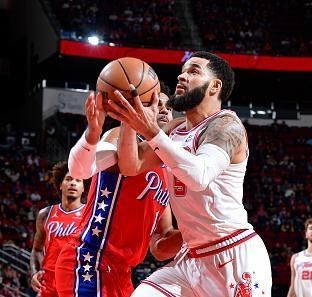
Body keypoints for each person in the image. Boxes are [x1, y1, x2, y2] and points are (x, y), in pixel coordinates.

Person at [107, 51, 272, 297]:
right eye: (183, 71)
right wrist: (129, 119)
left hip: (233, 254)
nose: (182, 76)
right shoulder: (174, 128)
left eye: (194, 71)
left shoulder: (226, 126)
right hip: (190, 258)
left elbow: (199, 175)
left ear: (215, 86)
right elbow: (131, 166)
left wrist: (152, 132)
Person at [54, 84, 182, 297]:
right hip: (91, 259)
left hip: (122, 273)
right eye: (154, 103)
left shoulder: (166, 168)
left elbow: (160, 246)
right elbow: (84, 168)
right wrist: (92, 135)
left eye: (168, 107)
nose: (163, 109)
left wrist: (196, 233)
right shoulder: (119, 136)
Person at [30, 161, 86, 296]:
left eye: (78, 180)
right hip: (48, 283)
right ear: (60, 185)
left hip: (76, 281)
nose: (73, 183)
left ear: (83, 188)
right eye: (68, 179)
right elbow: (36, 249)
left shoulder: (89, 216)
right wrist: (34, 272)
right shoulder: (45, 214)